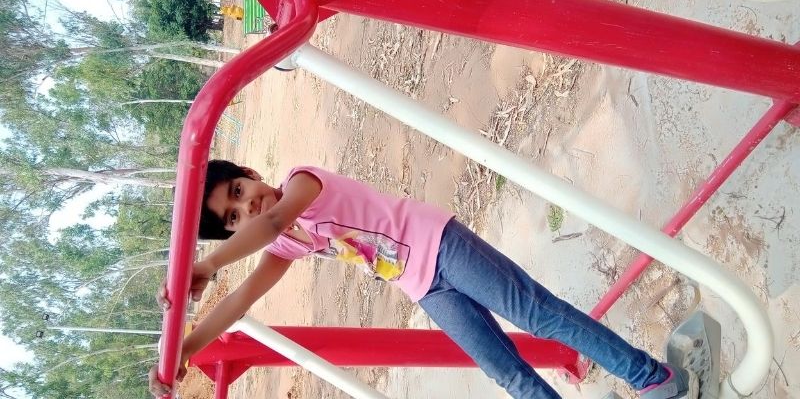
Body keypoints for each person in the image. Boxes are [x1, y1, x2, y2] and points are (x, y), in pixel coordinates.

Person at [148, 160, 698, 399]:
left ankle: (653, 378)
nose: (246, 207)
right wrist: (185, 350)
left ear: (250, 175)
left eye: (239, 192)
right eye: (232, 218)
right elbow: (242, 300)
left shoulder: (299, 183)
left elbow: (269, 222)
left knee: (539, 315)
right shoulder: (285, 242)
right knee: (504, 371)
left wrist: (207, 265)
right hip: (423, 286)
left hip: (442, 245)